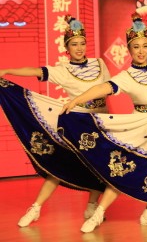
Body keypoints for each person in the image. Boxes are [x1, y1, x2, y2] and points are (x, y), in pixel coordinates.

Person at [59, 12, 147, 233]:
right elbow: (102, 88)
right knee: (124, 168)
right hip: (141, 125)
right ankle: (98, 213)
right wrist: (76, 100)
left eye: (145, 46)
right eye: (136, 47)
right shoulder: (126, 76)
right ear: (129, 50)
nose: (141, 51)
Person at [0, 15, 109, 227]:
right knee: (60, 165)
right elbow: (35, 71)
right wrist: (7, 71)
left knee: (100, 166)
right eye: (74, 44)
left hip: (102, 121)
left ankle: (92, 205)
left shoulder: (100, 63)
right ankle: (36, 208)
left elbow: (109, 89)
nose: (79, 48)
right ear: (66, 48)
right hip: (77, 123)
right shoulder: (62, 70)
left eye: (82, 43)